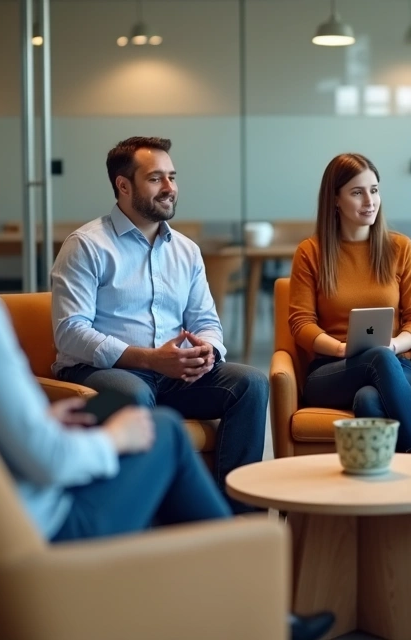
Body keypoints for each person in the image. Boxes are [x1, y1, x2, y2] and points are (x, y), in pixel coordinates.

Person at [0, 132, 333, 640]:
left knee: (242, 385)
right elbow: (48, 458)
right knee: (158, 428)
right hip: (25, 531)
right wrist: (114, 437)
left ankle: (229, 557)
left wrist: (202, 353)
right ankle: (246, 589)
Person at [50, 136, 267, 514]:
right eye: (155, 179)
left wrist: (207, 351)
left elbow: (206, 321)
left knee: (250, 383)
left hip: (173, 375)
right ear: (123, 186)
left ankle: (237, 520)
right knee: (133, 393)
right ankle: (148, 520)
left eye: (172, 176)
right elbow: (70, 331)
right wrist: (149, 359)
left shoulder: (186, 250)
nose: (170, 187)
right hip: (101, 374)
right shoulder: (86, 245)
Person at [288, 153, 411, 454]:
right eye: (357, 192)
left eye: (374, 190)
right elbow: (301, 324)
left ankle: (379, 480)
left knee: (368, 398)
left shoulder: (400, 247)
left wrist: (394, 345)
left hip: (396, 365)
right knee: (377, 357)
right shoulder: (311, 252)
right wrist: (342, 349)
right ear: (335, 199)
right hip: (332, 370)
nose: (370, 201)